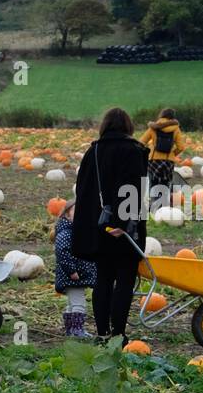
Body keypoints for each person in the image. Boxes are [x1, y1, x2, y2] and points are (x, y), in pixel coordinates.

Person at [72, 107, 148, 345]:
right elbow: (134, 187)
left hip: (99, 226)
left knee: (103, 279)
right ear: (128, 126)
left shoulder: (93, 152)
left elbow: (84, 191)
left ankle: (102, 333)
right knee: (124, 279)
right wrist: (124, 222)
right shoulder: (134, 151)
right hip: (126, 227)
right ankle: (118, 335)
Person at [53, 199, 96, 338]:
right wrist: (71, 271)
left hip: (75, 275)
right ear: (67, 215)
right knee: (79, 304)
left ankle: (71, 330)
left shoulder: (74, 232)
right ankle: (77, 330)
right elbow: (63, 253)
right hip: (72, 276)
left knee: (72, 303)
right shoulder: (66, 233)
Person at [140, 108, 185, 212]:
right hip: (168, 161)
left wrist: (146, 153)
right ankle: (164, 207)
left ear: (161, 115)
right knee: (166, 183)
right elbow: (181, 147)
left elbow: (142, 142)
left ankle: (153, 207)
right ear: (172, 117)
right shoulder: (175, 129)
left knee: (153, 182)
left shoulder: (153, 127)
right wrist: (173, 154)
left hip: (153, 161)